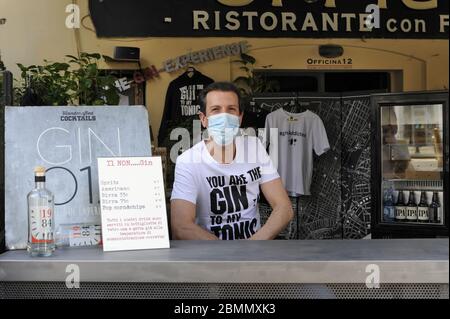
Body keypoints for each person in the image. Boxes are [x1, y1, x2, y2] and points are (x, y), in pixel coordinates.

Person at [170, 82, 293, 240]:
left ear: (240, 118)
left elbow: (284, 208)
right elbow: (181, 226)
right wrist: (229, 253)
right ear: (203, 119)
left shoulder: (255, 148)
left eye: (231, 109)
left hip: (254, 249)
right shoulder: (188, 161)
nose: (224, 116)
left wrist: (253, 245)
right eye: (216, 110)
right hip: (209, 255)